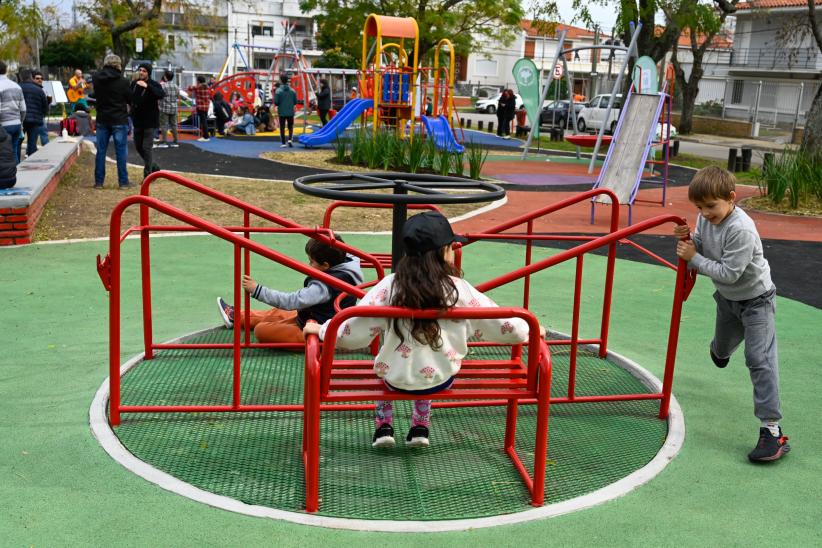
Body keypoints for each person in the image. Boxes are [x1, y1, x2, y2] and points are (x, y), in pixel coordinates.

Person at [303, 212, 545, 449]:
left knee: (384, 365)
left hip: (395, 379)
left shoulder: (391, 285)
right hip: (441, 378)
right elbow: (505, 327)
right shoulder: (458, 289)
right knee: (429, 361)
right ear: (444, 252)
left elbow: (350, 333)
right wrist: (531, 330)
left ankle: (384, 426)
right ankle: (420, 426)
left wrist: (321, 330)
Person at [673, 166, 790, 462]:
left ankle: (772, 431)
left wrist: (693, 257)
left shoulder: (741, 229)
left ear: (732, 198)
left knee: (759, 359)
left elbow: (730, 273)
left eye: (711, 206)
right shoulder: (705, 216)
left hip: (756, 301)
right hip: (727, 301)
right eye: (700, 207)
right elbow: (703, 245)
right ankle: (721, 349)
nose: (705, 213)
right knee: (721, 351)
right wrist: (690, 239)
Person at [217, 235, 364, 344]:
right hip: (313, 315)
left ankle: (324, 343)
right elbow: (335, 243)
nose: (308, 264)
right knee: (276, 313)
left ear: (326, 265)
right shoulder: (348, 259)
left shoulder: (323, 287)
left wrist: (257, 290)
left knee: (261, 331)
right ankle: (235, 317)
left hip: (317, 329)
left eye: (311, 261)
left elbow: (291, 300)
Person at [92, 54, 131, 189]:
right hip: (119, 118)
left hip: (102, 117)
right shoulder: (124, 81)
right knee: (120, 151)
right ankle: (123, 182)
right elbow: (129, 99)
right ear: (118, 64)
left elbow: (96, 95)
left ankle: (99, 182)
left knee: (101, 151)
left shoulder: (96, 79)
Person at [129, 62, 165, 178]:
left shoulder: (154, 84)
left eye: (144, 71)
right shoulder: (134, 84)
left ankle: (148, 175)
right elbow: (130, 97)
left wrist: (147, 86)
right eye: (140, 70)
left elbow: (161, 94)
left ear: (148, 73)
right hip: (137, 120)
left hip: (150, 121)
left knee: (146, 147)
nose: (141, 72)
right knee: (138, 147)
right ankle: (154, 166)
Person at [0, 61, 26, 164]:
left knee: (3, 154)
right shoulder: (16, 86)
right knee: (14, 151)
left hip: (3, 125)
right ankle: (16, 174)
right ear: (6, 70)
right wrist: (20, 122)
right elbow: (23, 109)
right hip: (16, 124)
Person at [20, 70, 50, 158]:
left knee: (18, 142)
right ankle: (31, 162)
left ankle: (17, 162)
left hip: (22, 119)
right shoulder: (39, 90)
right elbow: (45, 107)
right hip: (35, 120)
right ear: (31, 78)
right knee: (32, 142)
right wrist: (41, 116)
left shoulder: (18, 87)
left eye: (41, 78)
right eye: (37, 78)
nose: (40, 80)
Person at [157, 70, 179, 148]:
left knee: (164, 125)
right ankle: (176, 141)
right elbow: (177, 96)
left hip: (164, 107)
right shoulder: (176, 86)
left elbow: (160, 96)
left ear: (165, 77)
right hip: (174, 108)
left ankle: (165, 141)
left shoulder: (163, 86)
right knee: (174, 125)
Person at [274, 74, 297, 148]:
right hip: (290, 111)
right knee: (290, 126)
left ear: (281, 80)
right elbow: (295, 102)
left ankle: (283, 143)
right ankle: (290, 139)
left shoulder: (278, 91)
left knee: (282, 127)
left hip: (282, 111)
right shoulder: (293, 91)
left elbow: (276, 102)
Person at [191, 75, 211, 141]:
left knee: (203, 122)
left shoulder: (198, 87)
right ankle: (205, 136)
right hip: (206, 106)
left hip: (200, 106)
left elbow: (190, 88)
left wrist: (196, 85)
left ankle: (206, 137)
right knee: (204, 121)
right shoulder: (208, 87)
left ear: (198, 81)